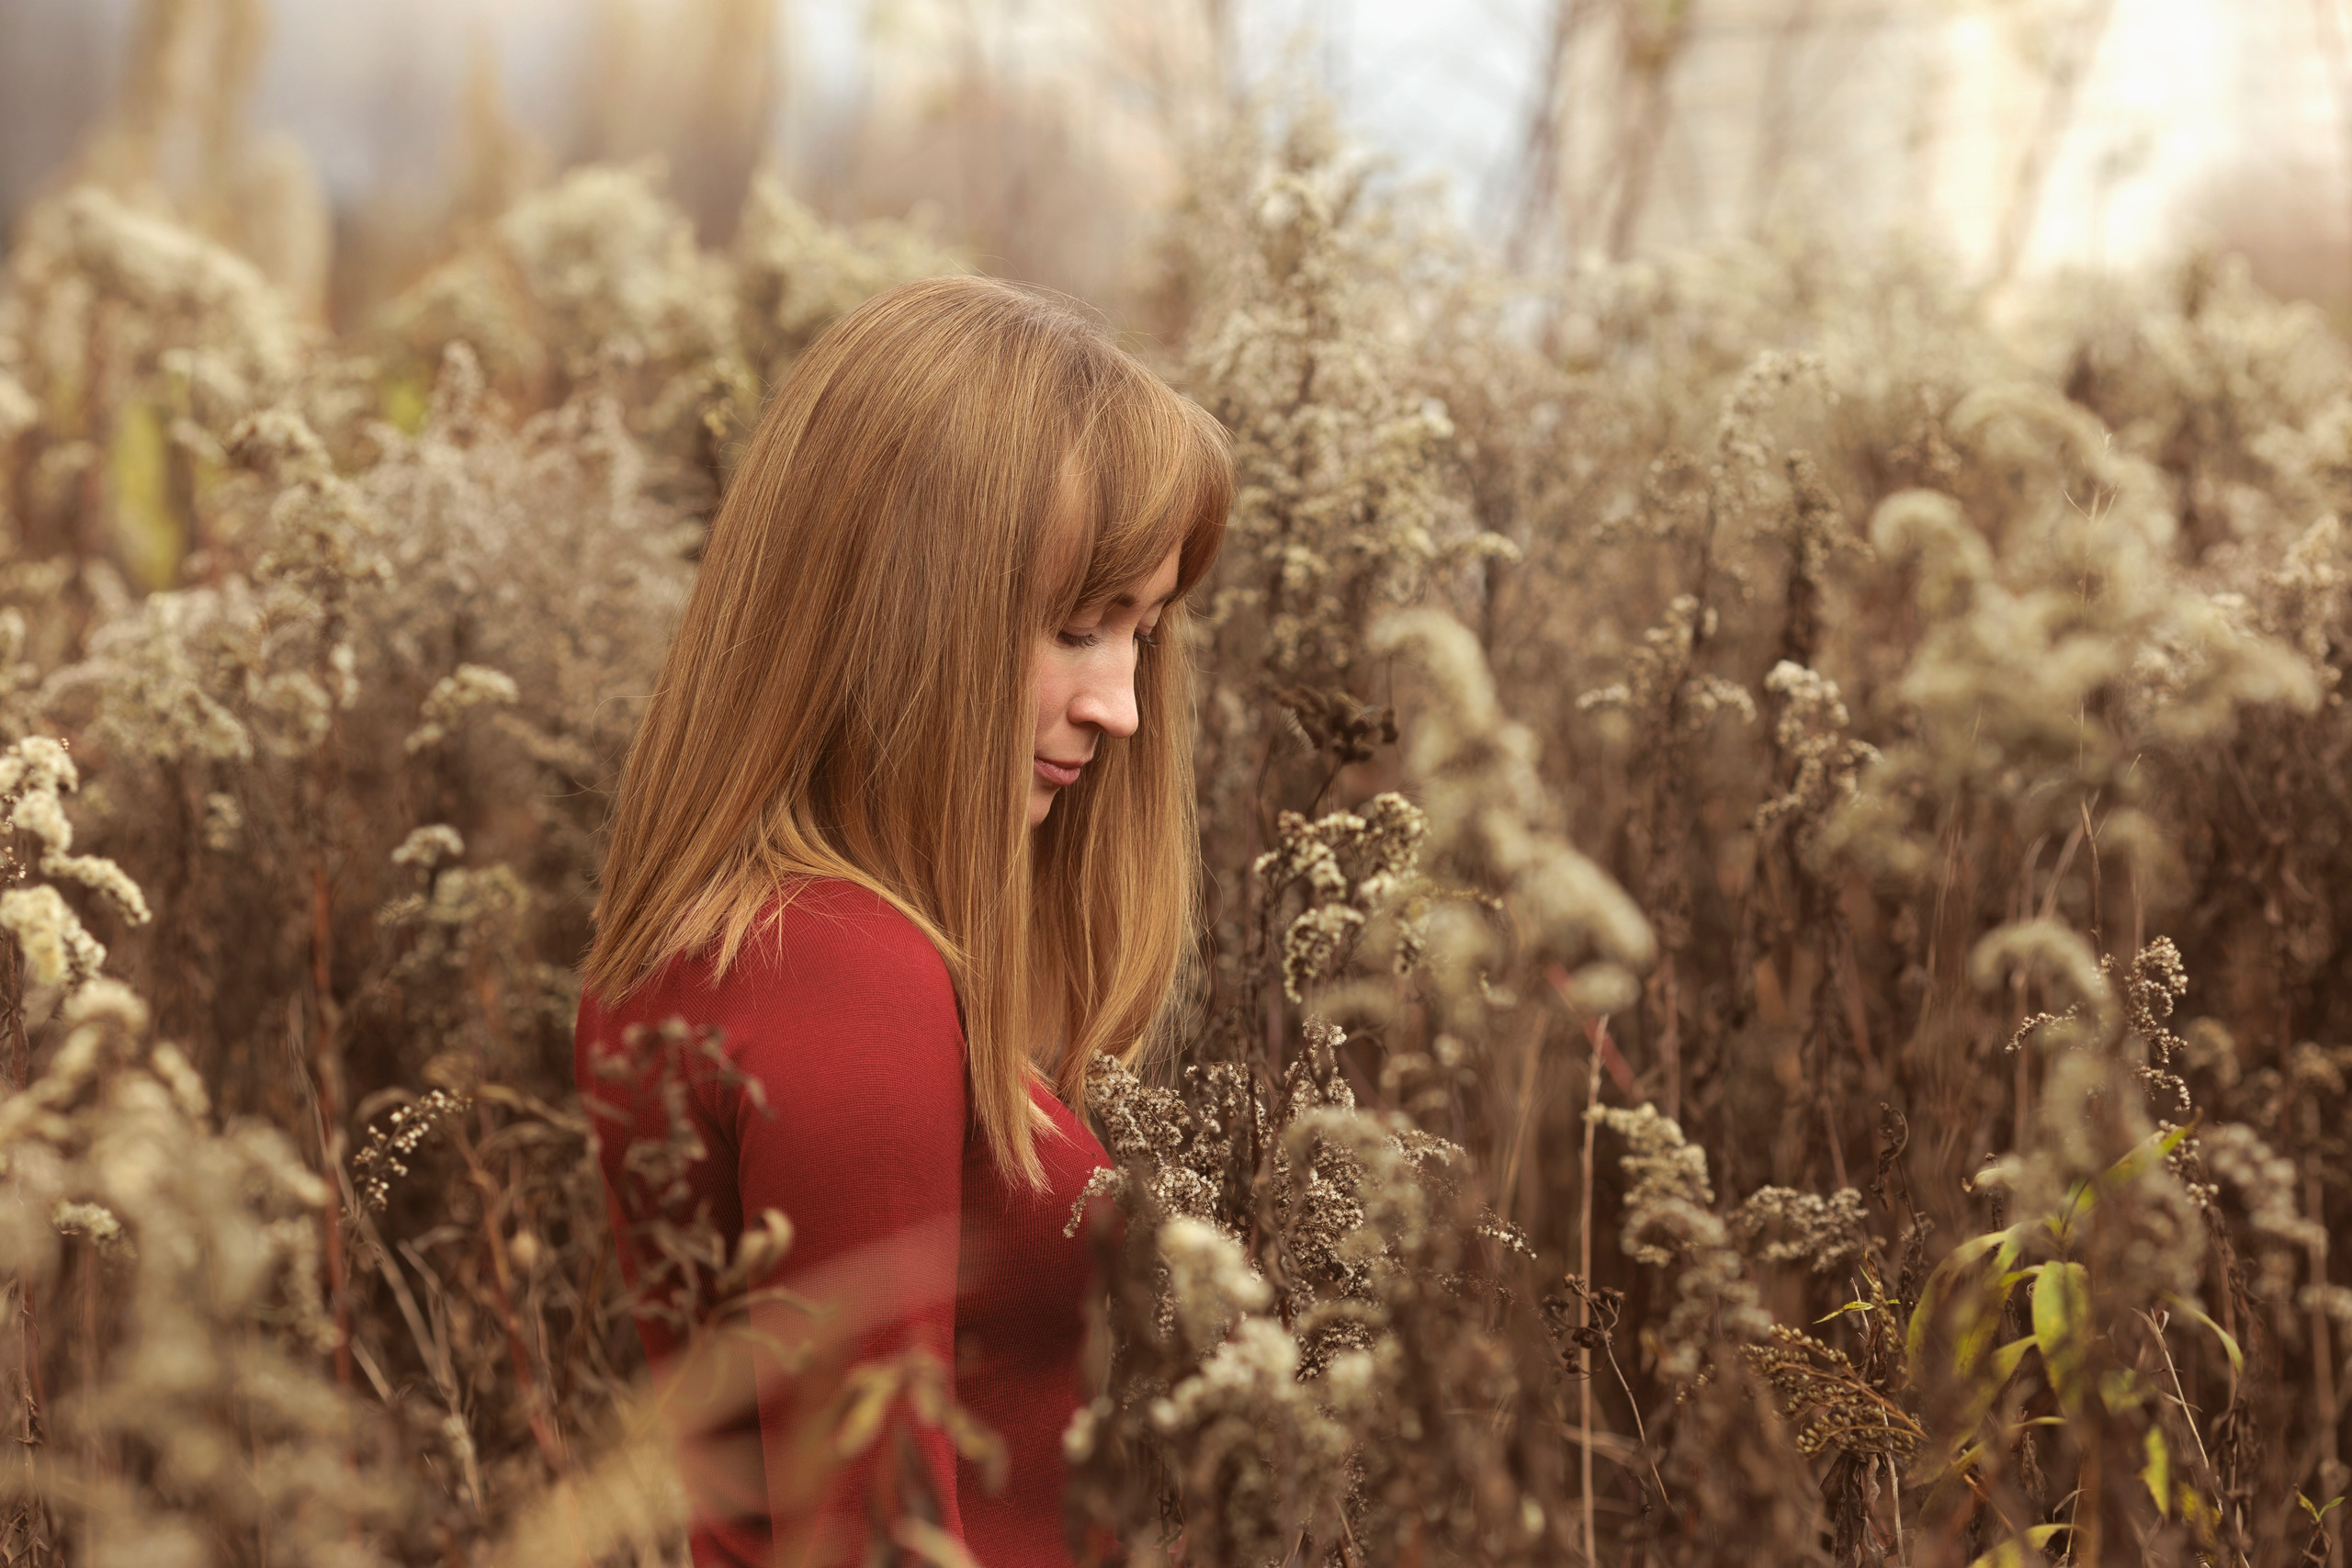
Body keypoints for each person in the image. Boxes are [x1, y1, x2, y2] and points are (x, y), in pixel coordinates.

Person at [574, 275, 1232, 1568]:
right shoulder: (840, 969)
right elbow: (874, 1535)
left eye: (1142, 636)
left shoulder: (739, 941)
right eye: (1074, 629)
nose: (1124, 707)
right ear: (902, 611)